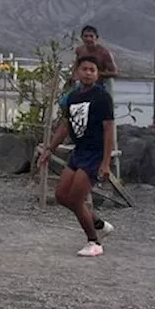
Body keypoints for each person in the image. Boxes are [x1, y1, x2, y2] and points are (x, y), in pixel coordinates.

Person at [37, 55, 114, 256]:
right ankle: (99, 224)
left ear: (97, 74)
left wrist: (106, 162)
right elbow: (65, 126)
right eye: (85, 69)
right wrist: (49, 150)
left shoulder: (102, 97)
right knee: (62, 196)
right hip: (79, 151)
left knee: (76, 198)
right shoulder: (73, 97)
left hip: (94, 154)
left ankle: (94, 242)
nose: (88, 73)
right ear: (78, 72)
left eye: (92, 70)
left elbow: (108, 129)